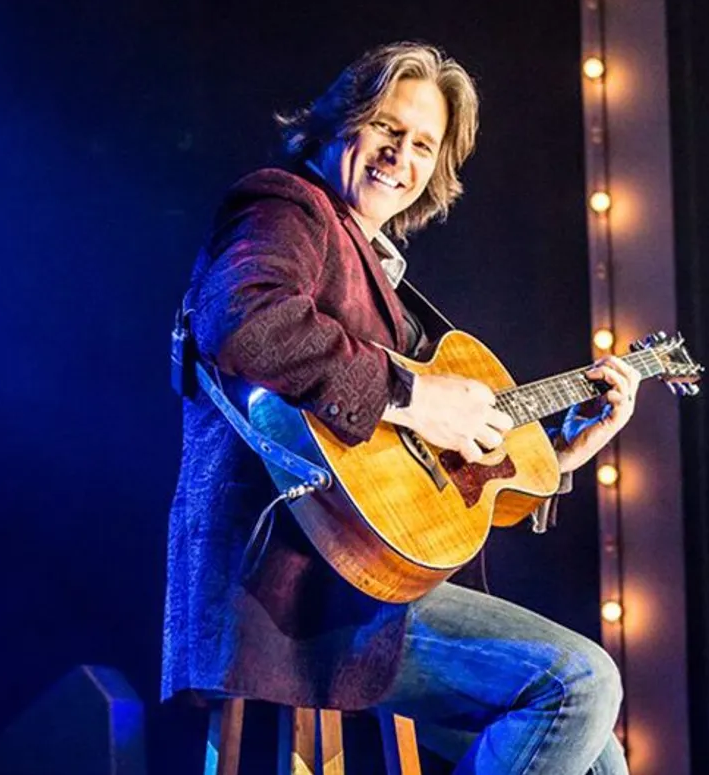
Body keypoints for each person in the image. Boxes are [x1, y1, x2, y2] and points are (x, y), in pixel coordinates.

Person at [163, 41, 641, 774]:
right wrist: (416, 395)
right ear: (336, 126)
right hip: (292, 588)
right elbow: (244, 319)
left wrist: (559, 452)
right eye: (386, 127)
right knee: (581, 680)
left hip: (364, 583)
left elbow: (404, 470)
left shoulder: (377, 271)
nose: (399, 155)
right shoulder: (286, 205)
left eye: (423, 144)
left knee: (599, 751)